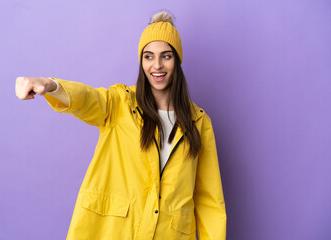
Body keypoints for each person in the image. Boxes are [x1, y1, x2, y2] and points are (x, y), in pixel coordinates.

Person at [15, 10, 226, 240]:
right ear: (141, 60)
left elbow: (209, 201)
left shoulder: (199, 122)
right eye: (148, 56)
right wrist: (49, 84)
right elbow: (87, 98)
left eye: (166, 56)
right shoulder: (120, 103)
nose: (157, 65)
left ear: (177, 60)